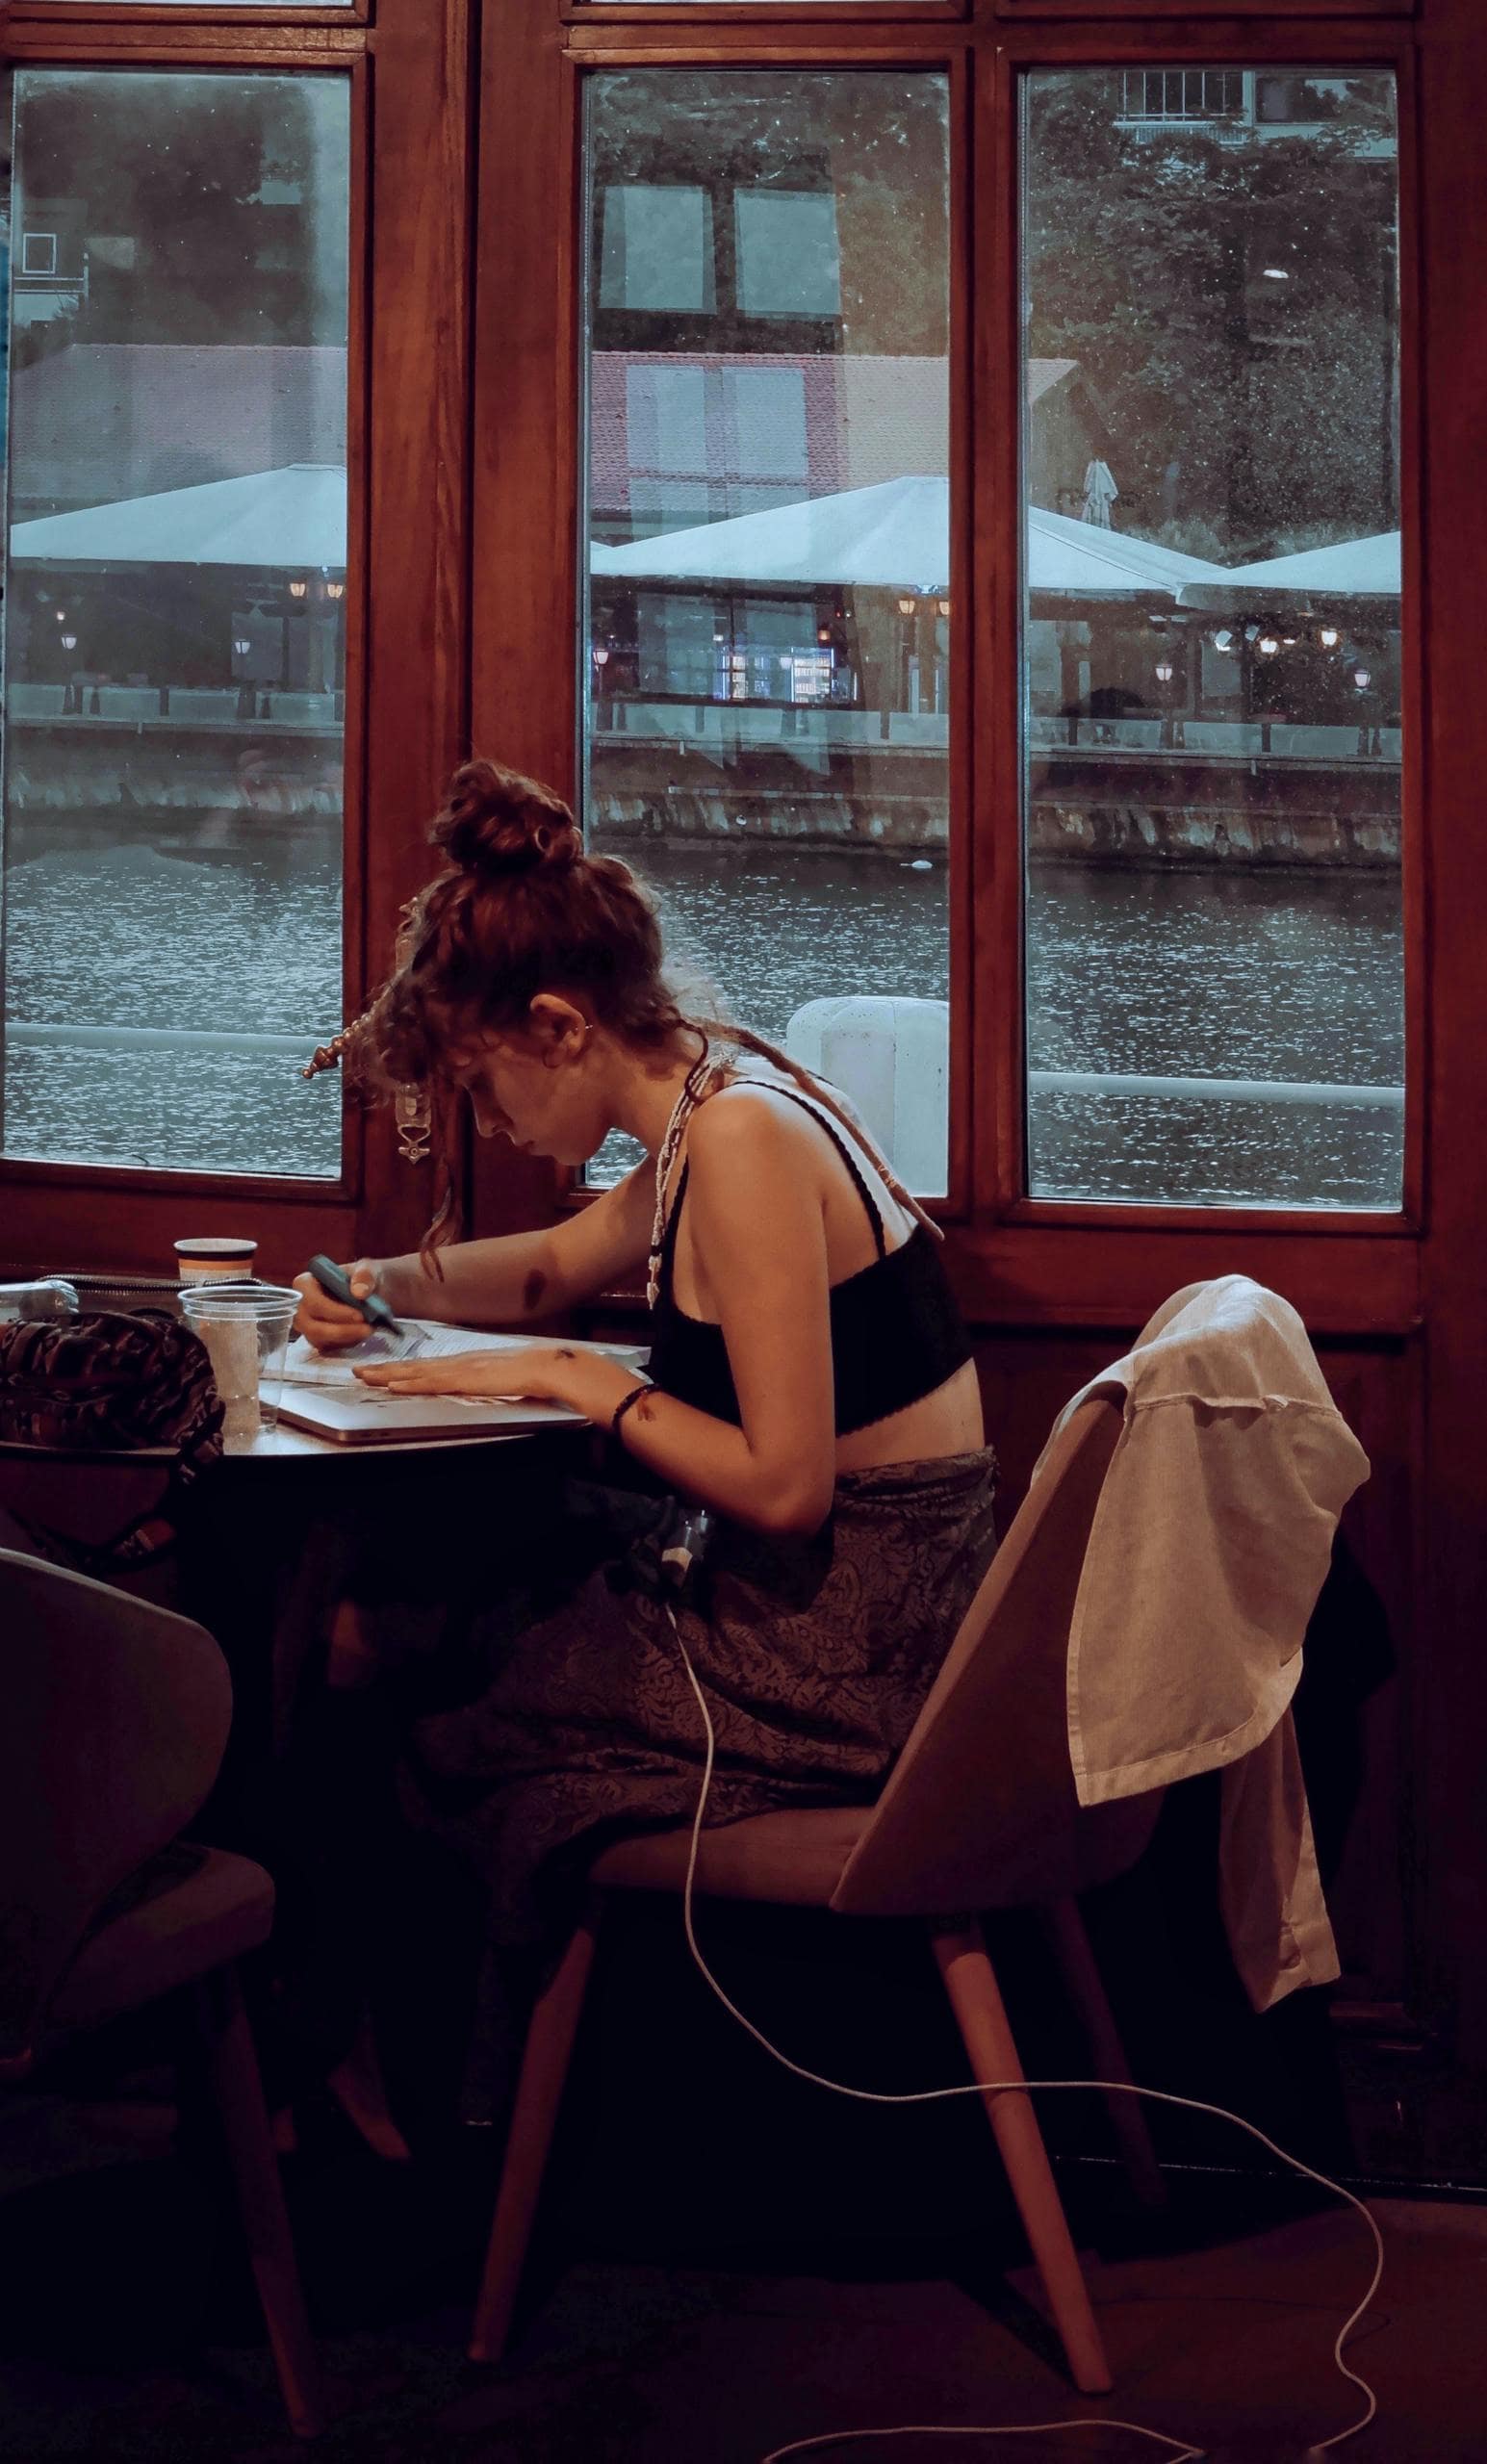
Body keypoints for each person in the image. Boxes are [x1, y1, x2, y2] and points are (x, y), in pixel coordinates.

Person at [295, 757, 998, 2119]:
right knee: (435, 1596)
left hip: (844, 1651)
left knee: (391, 1662)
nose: (494, 1124)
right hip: (883, 1609)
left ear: (557, 1025)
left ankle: (393, 2089)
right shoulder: (720, 1093)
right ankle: (397, 2078)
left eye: (487, 1088)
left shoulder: (734, 1143)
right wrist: (382, 1282)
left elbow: (785, 1488)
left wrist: (563, 1380)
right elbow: (562, 1263)